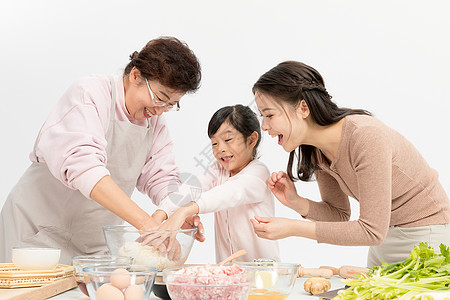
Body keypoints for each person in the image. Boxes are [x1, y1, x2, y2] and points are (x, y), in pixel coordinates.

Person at [0, 36, 203, 264]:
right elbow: (85, 169)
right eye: (160, 98)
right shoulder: (91, 93)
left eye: (171, 105)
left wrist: (177, 211)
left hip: (91, 247)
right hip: (36, 235)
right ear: (136, 75)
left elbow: (163, 178)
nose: (160, 111)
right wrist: (147, 224)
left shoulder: (154, 124)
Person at [250, 61, 450, 267]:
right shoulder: (318, 151)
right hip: (383, 239)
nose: (264, 126)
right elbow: (339, 214)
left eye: (269, 115)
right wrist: (295, 202)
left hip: (426, 237)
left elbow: (371, 231)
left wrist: (293, 228)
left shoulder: (365, 137)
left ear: (303, 108)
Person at [159, 105, 280, 263]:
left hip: (263, 274)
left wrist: (183, 211)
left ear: (251, 140)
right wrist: (160, 214)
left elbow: (228, 194)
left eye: (228, 140)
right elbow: (192, 188)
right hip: (228, 274)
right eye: (214, 143)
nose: (220, 149)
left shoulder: (259, 174)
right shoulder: (218, 170)